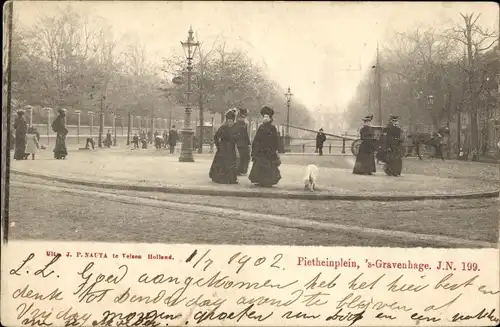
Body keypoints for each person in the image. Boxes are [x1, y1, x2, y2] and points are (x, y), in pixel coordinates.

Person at [249, 106, 282, 187]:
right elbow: (257, 139)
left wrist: (275, 149)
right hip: (260, 151)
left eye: (267, 117)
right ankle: (261, 181)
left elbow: (275, 139)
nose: (265, 118)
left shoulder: (272, 128)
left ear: (270, 118)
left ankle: (268, 182)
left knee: (269, 166)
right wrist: (255, 148)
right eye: (264, 117)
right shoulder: (261, 127)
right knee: (259, 166)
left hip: (269, 151)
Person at [209, 109, 238, 184]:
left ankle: (231, 179)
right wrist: (219, 146)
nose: (230, 123)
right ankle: (220, 178)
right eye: (228, 121)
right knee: (222, 163)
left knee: (231, 163)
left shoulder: (235, 128)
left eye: (231, 121)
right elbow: (216, 137)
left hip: (231, 148)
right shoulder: (223, 128)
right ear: (226, 121)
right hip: (223, 148)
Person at [233, 108, 251, 175]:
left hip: (242, 143)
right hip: (241, 143)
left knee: (243, 157)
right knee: (243, 157)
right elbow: (245, 134)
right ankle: (241, 170)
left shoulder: (241, 123)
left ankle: (241, 170)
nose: (243, 118)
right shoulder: (242, 124)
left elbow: (246, 134)